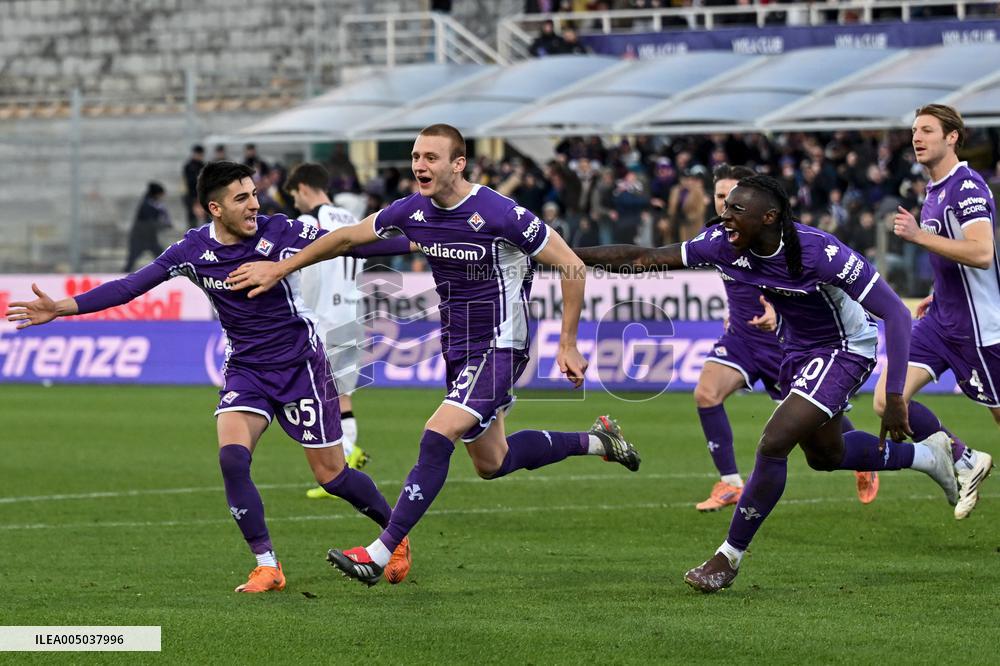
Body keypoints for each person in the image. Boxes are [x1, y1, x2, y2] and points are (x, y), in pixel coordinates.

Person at [227, 124, 641, 587]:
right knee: (493, 461)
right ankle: (600, 441)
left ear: (458, 164)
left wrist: (568, 341)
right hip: (460, 348)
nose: (420, 166)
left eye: (431, 157)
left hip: (502, 344)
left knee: (435, 433)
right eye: (416, 156)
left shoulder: (499, 212)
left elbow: (571, 264)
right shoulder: (413, 211)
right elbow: (346, 239)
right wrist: (281, 266)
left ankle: (380, 552)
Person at [7, 161, 413, 594]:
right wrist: (62, 307)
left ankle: (395, 536)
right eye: (242, 198)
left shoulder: (280, 231)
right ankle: (267, 565)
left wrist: (425, 239)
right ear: (215, 208)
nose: (255, 204)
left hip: (300, 367)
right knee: (232, 459)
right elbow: (130, 286)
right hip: (247, 370)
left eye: (254, 193)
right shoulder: (191, 250)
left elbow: (351, 245)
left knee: (331, 476)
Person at [574, 174, 959, 593]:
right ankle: (927, 456)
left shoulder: (820, 252)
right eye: (725, 208)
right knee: (827, 455)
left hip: (846, 347)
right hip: (795, 349)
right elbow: (645, 258)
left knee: (774, 441)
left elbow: (897, 315)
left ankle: (728, 557)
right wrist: (564, 253)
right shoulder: (722, 243)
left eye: (737, 209)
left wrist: (897, 393)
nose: (725, 216)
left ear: (770, 217)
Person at [692, 165, 881, 512]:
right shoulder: (724, 239)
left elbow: (796, 287)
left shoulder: (778, 243)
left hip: (784, 343)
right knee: (706, 393)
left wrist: (778, 315)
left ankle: (861, 456)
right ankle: (730, 483)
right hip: (741, 339)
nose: (724, 206)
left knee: (821, 423)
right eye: (720, 197)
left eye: (731, 198)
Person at [874, 104, 997, 520]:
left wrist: (920, 236)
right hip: (942, 321)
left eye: (927, 130)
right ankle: (965, 459)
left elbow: (981, 252)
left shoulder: (966, 187)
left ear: (952, 137)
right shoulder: (934, 190)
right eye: (914, 131)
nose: (917, 137)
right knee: (886, 398)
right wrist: (935, 289)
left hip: (980, 329)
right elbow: (951, 254)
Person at [284, 162, 395, 498]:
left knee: (318, 396)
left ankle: (339, 467)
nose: (295, 204)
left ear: (303, 188)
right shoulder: (351, 218)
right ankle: (349, 454)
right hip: (352, 312)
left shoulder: (308, 222)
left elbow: (302, 271)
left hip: (322, 318)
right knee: (340, 394)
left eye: (294, 196)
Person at [123, 182, 171, 273]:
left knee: (163, 258)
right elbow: (150, 223)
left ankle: (168, 273)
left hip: (150, 238)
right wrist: (163, 225)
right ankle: (122, 279)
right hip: (139, 238)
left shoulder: (155, 204)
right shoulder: (147, 205)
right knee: (131, 260)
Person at [182, 144, 206, 229]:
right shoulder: (188, 166)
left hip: (202, 196)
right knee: (192, 221)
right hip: (191, 196)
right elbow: (190, 182)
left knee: (206, 219)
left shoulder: (203, 165)